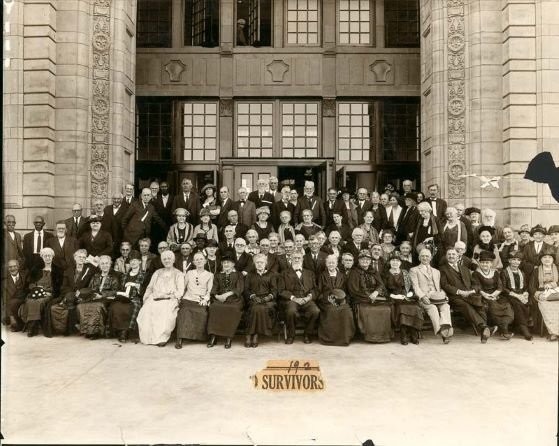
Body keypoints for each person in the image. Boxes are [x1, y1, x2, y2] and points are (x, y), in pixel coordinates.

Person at [440, 248, 492, 343]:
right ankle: (483, 327)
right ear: (446, 256)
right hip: (455, 297)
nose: (451, 256)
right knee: (466, 306)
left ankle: (484, 330)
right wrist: (459, 291)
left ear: (458, 256)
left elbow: (475, 284)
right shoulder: (443, 269)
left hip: (470, 295)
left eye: (453, 254)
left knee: (480, 305)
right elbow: (445, 285)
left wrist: (472, 291)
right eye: (449, 254)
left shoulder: (465, 269)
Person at [137, 250, 184, 346]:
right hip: (155, 298)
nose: (167, 261)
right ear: (162, 261)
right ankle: (148, 338)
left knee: (164, 311)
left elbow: (180, 291)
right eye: (164, 259)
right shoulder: (157, 272)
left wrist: (170, 296)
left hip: (170, 299)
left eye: (169, 258)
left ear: (173, 260)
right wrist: (146, 298)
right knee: (146, 311)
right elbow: (150, 287)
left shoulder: (178, 274)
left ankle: (161, 338)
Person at [347, 250, 392, 343]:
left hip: (375, 297)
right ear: (358, 260)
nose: (365, 261)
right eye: (362, 259)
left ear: (370, 260)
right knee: (368, 310)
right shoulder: (354, 272)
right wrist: (368, 297)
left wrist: (376, 293)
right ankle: (370, 336)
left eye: (367, 259)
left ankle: (383, 336)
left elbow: (381, 285)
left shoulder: (374, 271)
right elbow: (353, 290)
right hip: (361, 299)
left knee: (386, 309)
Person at [409, 248, 453, 343]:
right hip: (425, 298)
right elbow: (415, 286)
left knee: (446, 306)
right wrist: (422, 297)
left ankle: (446, 328)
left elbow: (440, 287)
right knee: (432, 308)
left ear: (431, 258)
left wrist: (444, 295)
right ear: (419, 258)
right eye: (423, 256)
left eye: (427, 256)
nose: (425, 258)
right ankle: (442, 333)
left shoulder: (436, 271)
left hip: (437, 297)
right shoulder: (414, 270)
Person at [51, 249, 96, 336]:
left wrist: (91, 262)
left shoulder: (90, 270)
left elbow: (91, 286)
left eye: (84, 257)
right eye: (79, 257)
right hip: (70, 294)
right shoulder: (68, 270)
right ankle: (66, 328)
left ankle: (72, 327)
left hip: (83, 295)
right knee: (65, 300)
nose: (81, 259)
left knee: (72, 301)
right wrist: (72, 293)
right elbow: (64, 287)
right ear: (75, 258)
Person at [20, 247, 63, 337]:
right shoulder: (36, 269)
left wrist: (51, 292)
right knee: (30, 300)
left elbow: (59, 286)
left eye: (49, 256)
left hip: (49, 293)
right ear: (42, 257)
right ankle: (33, 326)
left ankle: (32, 327)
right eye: (45, 256)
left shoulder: (58, 270)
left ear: (52, 257)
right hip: (35, 291)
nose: (47, 258)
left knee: (39, 302)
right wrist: (35, 288)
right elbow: (30, 283)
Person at [279, 251, 320, 344]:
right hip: (292, 300)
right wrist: (293, 298)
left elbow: (315, 289)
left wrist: (308, 297)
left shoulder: (310, 273)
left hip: (307, 299)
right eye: (294, 258)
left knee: (315, 311)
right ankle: (291, 335)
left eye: (299, 258)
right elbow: (281, 290)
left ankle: (307, 334)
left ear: (302, 259)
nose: (297, 260)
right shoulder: (284, 273)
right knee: (291, 311)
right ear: (291, 259)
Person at [383, 252, 424, 345]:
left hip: (406, 296)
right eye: (393, 260)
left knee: (415, 308)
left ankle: (413, 332)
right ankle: (403, 334)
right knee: (402, 308)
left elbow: (411, 288)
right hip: (393, 297)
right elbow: (383, 289)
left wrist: (410, 293)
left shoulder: (405, 273)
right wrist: (393, 296)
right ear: (389, 262)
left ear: (400, 263)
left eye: (397, 261)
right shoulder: (385, 274)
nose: (395, 262)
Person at [76, 255, 121, 339]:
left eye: (106, 263)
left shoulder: (114, 277)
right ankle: (87, 330)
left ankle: (95, 332)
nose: (105, 265)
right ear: (100, 265)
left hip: (106, 298)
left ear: (110, 264)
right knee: (81, 306)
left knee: (97, 306)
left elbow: (115, 291)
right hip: (94, 297)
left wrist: (102, 295)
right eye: (102, 263)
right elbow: (90, 288)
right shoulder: (95, 276)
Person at [206, 252, 244, 350]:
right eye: (224, 263)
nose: (226, 264)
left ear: (233, 264)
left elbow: (239, 289)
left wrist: (226, 295)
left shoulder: (238, 275)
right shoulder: (218, 275)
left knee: (232, 309)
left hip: (234, 298)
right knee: (214, 307)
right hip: (220, 298)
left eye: (228, 262)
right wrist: (217, 296)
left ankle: (229, 337)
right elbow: (214, 288)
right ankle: (213, 336)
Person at [175, 252, 214, 347]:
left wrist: (206, 299)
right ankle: (180, 338)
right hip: (188, 298)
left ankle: (198, 337)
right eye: (196, 259)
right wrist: (179, 297)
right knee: (184, 311)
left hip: (200, 299)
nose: (199, 261)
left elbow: (209, 290)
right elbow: (183, 287)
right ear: (193, 262)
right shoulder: (189, 273)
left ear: (205, 261)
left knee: (203, 312)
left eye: (201, 259)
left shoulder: (210, 275)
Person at [472, 250, 513, 339]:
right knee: (493, 306)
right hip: (483, 296)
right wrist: (487, 296)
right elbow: (477, 287)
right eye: (482, 263)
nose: (485, 265)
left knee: (507, 305)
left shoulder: (495, 273)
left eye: (487, 262)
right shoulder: (476, 273)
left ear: (491, 263)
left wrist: (494, 295)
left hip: (496, 295)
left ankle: (504, 329)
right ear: (479, 263)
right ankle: (503, 331)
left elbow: (500, 286)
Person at [316, 254, 355, 346]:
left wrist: (344, 300)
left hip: (341, 300)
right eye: (329, 263)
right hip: (326, 301)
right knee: (331, 310)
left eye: (333, 263)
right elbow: (319, 291)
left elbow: (346, 290)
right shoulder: (322, 276)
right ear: (326, 264)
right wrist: (329, 299)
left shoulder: (342, 276)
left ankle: (344, 338)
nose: (331, 265)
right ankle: (330, 339)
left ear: (337, 264)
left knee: (346, 311)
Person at [108, 251, 146, 343]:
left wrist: (135, 285)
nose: (133, 262)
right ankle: (119, 331)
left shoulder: (144, 274)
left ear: (140, 262)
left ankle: (124, 332)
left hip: (136, 298)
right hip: (124, 297)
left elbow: (145, 289)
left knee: (131, 307)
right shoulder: (125, 275)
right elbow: (120, 288)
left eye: (135, 260)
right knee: (115, 306)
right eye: (131, 261)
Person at [244, 253, 278, 347]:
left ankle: (252, 335)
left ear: (265, 263)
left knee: (259, 308)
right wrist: (253, 296)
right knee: (255, 307)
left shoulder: (271, 275)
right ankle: (252, 334)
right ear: (254, 264)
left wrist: (268, 297)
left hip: (268, 300)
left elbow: (275, 290)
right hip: (253, 299)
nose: (259, 264)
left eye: (261, 262)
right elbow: (246, 289)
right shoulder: (250, 275)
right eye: (257, 262)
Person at [500, 250, 532, 340]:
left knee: (529, 302)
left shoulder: (522, 273)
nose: (516, 262)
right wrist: (517, 296)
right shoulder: (504, 272)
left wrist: (525, 293)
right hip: (508, 295)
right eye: (513, 259)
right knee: (517, 304)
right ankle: (524, 329)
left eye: (518, 260)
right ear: (509, 261)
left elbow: (525, 287)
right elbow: (503, 288)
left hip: (521, 294)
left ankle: (521, 326)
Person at [529, 246, 559, 341]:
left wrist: (554, 284)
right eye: (544, 257)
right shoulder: (536, 270)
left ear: (553, 259)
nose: (547, 259)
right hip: (542, 294)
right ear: (541, 259)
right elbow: (531, 286)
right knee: (547, 306)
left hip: (556, 293)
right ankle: (554, 332)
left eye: (549, 257)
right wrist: (538, 294)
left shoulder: (558, 269)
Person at [3, 259, 28, 331]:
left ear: (18, 266)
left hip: (25, 298)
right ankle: (14, 322)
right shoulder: (4, 281)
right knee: (11, 303)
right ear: (8, 269)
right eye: (10, 267)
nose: (13, 268)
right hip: (12, 301)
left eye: (14, 266)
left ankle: (15, 323)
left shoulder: (25, 275)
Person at [102, 193, 127, 258]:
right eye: (114, 199)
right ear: (112, 199)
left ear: (121, 199)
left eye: (118, 199)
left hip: (120, 238)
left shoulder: (126, 209)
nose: (116, 200)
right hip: (108, 238)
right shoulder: (107, 209)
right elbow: (104, 224)